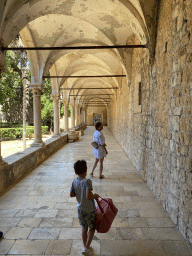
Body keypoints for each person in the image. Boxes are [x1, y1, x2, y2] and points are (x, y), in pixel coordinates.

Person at [70, 160, 99, 256]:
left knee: (84, 227)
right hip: (89, 210)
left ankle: (85, 246)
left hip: (80, 209)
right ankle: (86, 247)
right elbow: (89, 196)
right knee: (92, 228)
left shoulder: (74, 181)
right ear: (86, 170)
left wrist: (79, 193)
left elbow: (71, 194)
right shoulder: (87, 181)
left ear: (75, 172)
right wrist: (95, 195)